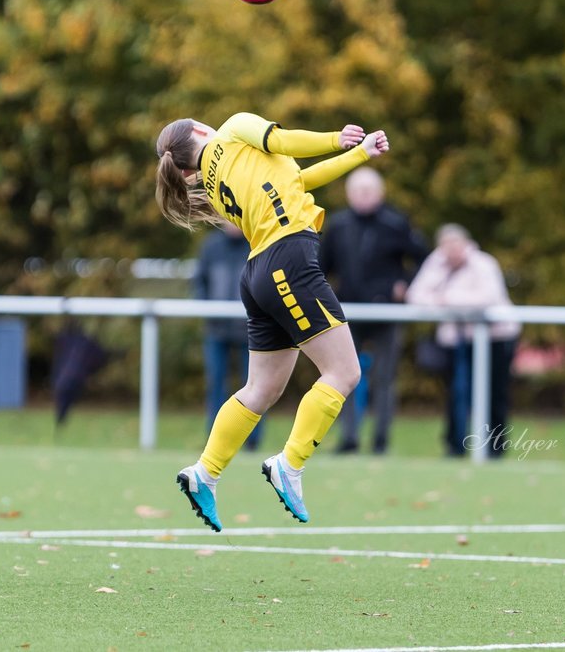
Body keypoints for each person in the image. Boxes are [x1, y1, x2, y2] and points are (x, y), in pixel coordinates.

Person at [155, 112, 389, 531]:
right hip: (290, 260)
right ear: (199, 132)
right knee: (344, 372)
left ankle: (204, 473)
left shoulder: (215, 177)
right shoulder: (232, 129)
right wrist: (337, 138)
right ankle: (290, 465)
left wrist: (359, 155)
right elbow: (285, 142)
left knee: (262, 388)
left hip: (259, 272)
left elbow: (298, 181)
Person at [319, 167, 429, 454]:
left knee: (384, 378)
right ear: (349, 194)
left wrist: (405, 285)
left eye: (369, 191)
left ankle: (381, 441)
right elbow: (320, 267)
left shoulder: (396, 223)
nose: (363, 197)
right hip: (346, 314)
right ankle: (349, 439)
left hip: (386, 314)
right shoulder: (339, 225)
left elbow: (423, 260)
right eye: (358, 191)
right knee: (344, 377)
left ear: (380, 193)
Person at [405, 224, 520, 458]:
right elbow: (416, 295)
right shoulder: (436, 264)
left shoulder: (483, 264)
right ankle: (455, 445)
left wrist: (447, 300)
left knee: (493, 393)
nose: (451, 252)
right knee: (456, 393)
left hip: (494, 338)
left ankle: (494, 448)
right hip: (457, 340)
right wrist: (446, 302)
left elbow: (489, 297)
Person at [193, 223, 262, 451]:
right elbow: (199, 282)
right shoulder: (211, 246)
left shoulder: (257, 244)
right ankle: (215, 439)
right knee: (216, 383)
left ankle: (251, 440)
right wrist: (206, 311)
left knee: (255, 385)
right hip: (217, 329)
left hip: (251, 330)